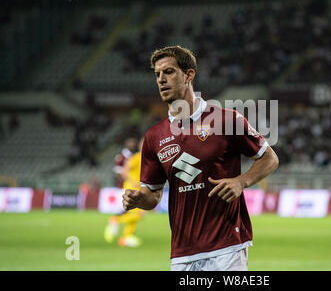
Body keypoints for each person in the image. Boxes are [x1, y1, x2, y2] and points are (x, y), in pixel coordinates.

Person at [122, 45, 279, 271]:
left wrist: (241, 181)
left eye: (168, 72)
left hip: (227, 248)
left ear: (189, 75)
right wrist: (139, 200)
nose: (161, 79)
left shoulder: (226, 120)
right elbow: (153, 195)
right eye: (157, 74)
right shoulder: (153, 137)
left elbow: (269, 158)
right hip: (182, 254)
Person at [105, 137, 146, 247]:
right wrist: (133, 182)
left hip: (139, 189)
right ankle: (116, 220)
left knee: (138, 214)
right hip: (132, 189)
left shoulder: (147, 158)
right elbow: (124, 171)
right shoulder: (137, 157)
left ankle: (125, 238)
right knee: (139, 214)